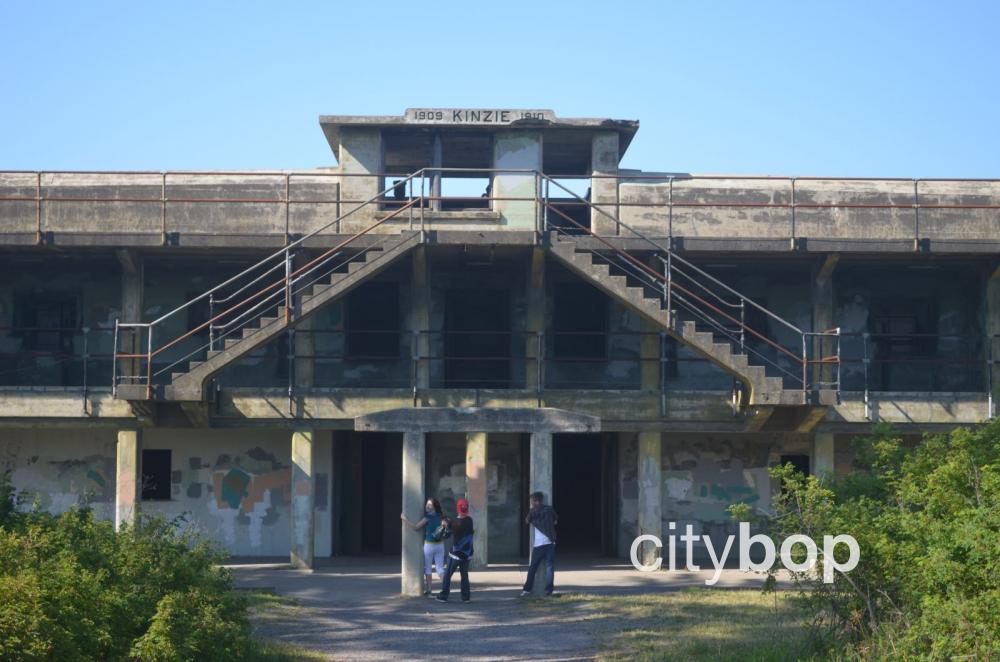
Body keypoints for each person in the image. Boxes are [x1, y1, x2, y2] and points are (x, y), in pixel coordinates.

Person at [401, 498, 448, 596]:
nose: (427, 506)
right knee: (440, 569)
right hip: (440, 545)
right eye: (427, 504)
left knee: (428, 568)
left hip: (429, 545)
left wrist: (405, 519)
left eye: (430, 505)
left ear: (434, 506)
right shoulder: (441, 516)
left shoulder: (428, 517)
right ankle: (445, 589)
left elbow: (416, 527)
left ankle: (429, 590)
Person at [436, 498, 474, 603]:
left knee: (447, 575)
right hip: (467, 555)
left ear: (458, 509)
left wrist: (445, 524)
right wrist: (448, 522)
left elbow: (446, 535)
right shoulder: (469, 520)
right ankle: (466, 598)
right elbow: (455, 523)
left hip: (456, 555)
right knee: (464, 575)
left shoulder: (455, 523)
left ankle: (444, 595)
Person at [520, 491, 558, 597]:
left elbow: (527, 521)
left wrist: (534, 521)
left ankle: (527, 590)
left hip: (539, 545)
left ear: (536, 501)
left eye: (532, 500)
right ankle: (549, 591)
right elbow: (555, 521)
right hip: (550, 543)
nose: (531, 503)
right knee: (550, 567)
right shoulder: (550, 509)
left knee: (533, 568)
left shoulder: (533, 511)